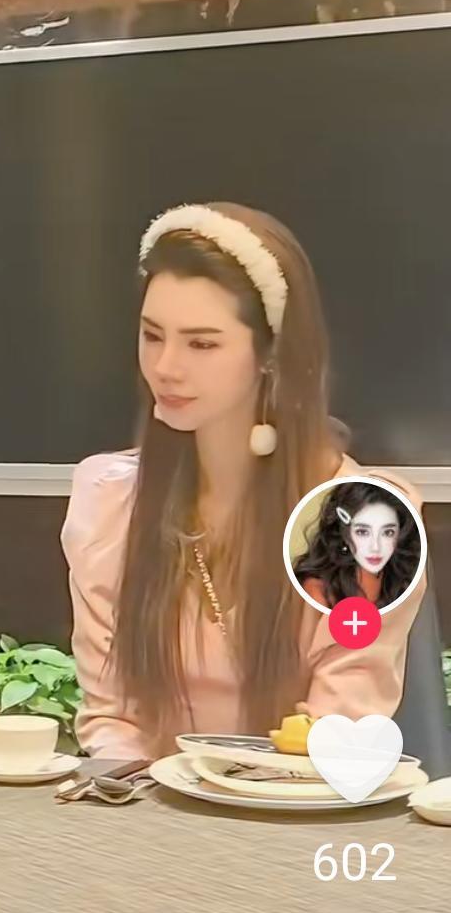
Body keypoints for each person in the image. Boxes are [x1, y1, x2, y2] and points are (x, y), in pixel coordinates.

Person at [61, 203, 425, 771]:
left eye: (202, 344)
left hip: (293, 804)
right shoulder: (109, 503)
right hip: (147, 806)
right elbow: (113, 720)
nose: (165, 367)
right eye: (153, 336)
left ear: (270, 353)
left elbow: (340, 726)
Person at [295, 480, 423, 612]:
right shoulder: (319, 591)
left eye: (388, 532)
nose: (375, 547)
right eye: (362, 532)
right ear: (344, 533)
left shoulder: (406, 581)